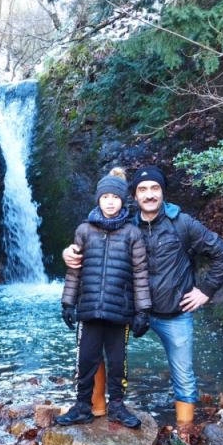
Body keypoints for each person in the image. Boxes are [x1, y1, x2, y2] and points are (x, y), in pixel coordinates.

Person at [63, 165, 223, 435]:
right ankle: (94, 409)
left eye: (155, 188)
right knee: (97, 352)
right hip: (130, 310)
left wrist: (206, 290)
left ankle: (185, 435)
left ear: (163, 192)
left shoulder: (183, 223)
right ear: (134, 196)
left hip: (173, 312)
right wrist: (68, 253)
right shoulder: (124, 222)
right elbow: (93, 239)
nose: (149, 194)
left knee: (184, 375)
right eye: (143, 190)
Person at [56, 168, 152, 428]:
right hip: (89, 310)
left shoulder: (132, 234)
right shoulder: (84, 231)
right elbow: (74, 270)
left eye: (115, 197)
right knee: (86, 359)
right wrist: (67, 302)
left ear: (123, 200)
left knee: (118, 361)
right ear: (98, 199)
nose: (110, 201)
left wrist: (143, 311)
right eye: (105, 196)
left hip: (119, 311)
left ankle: (118, 406)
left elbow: (140, 274)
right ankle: (82, 406)